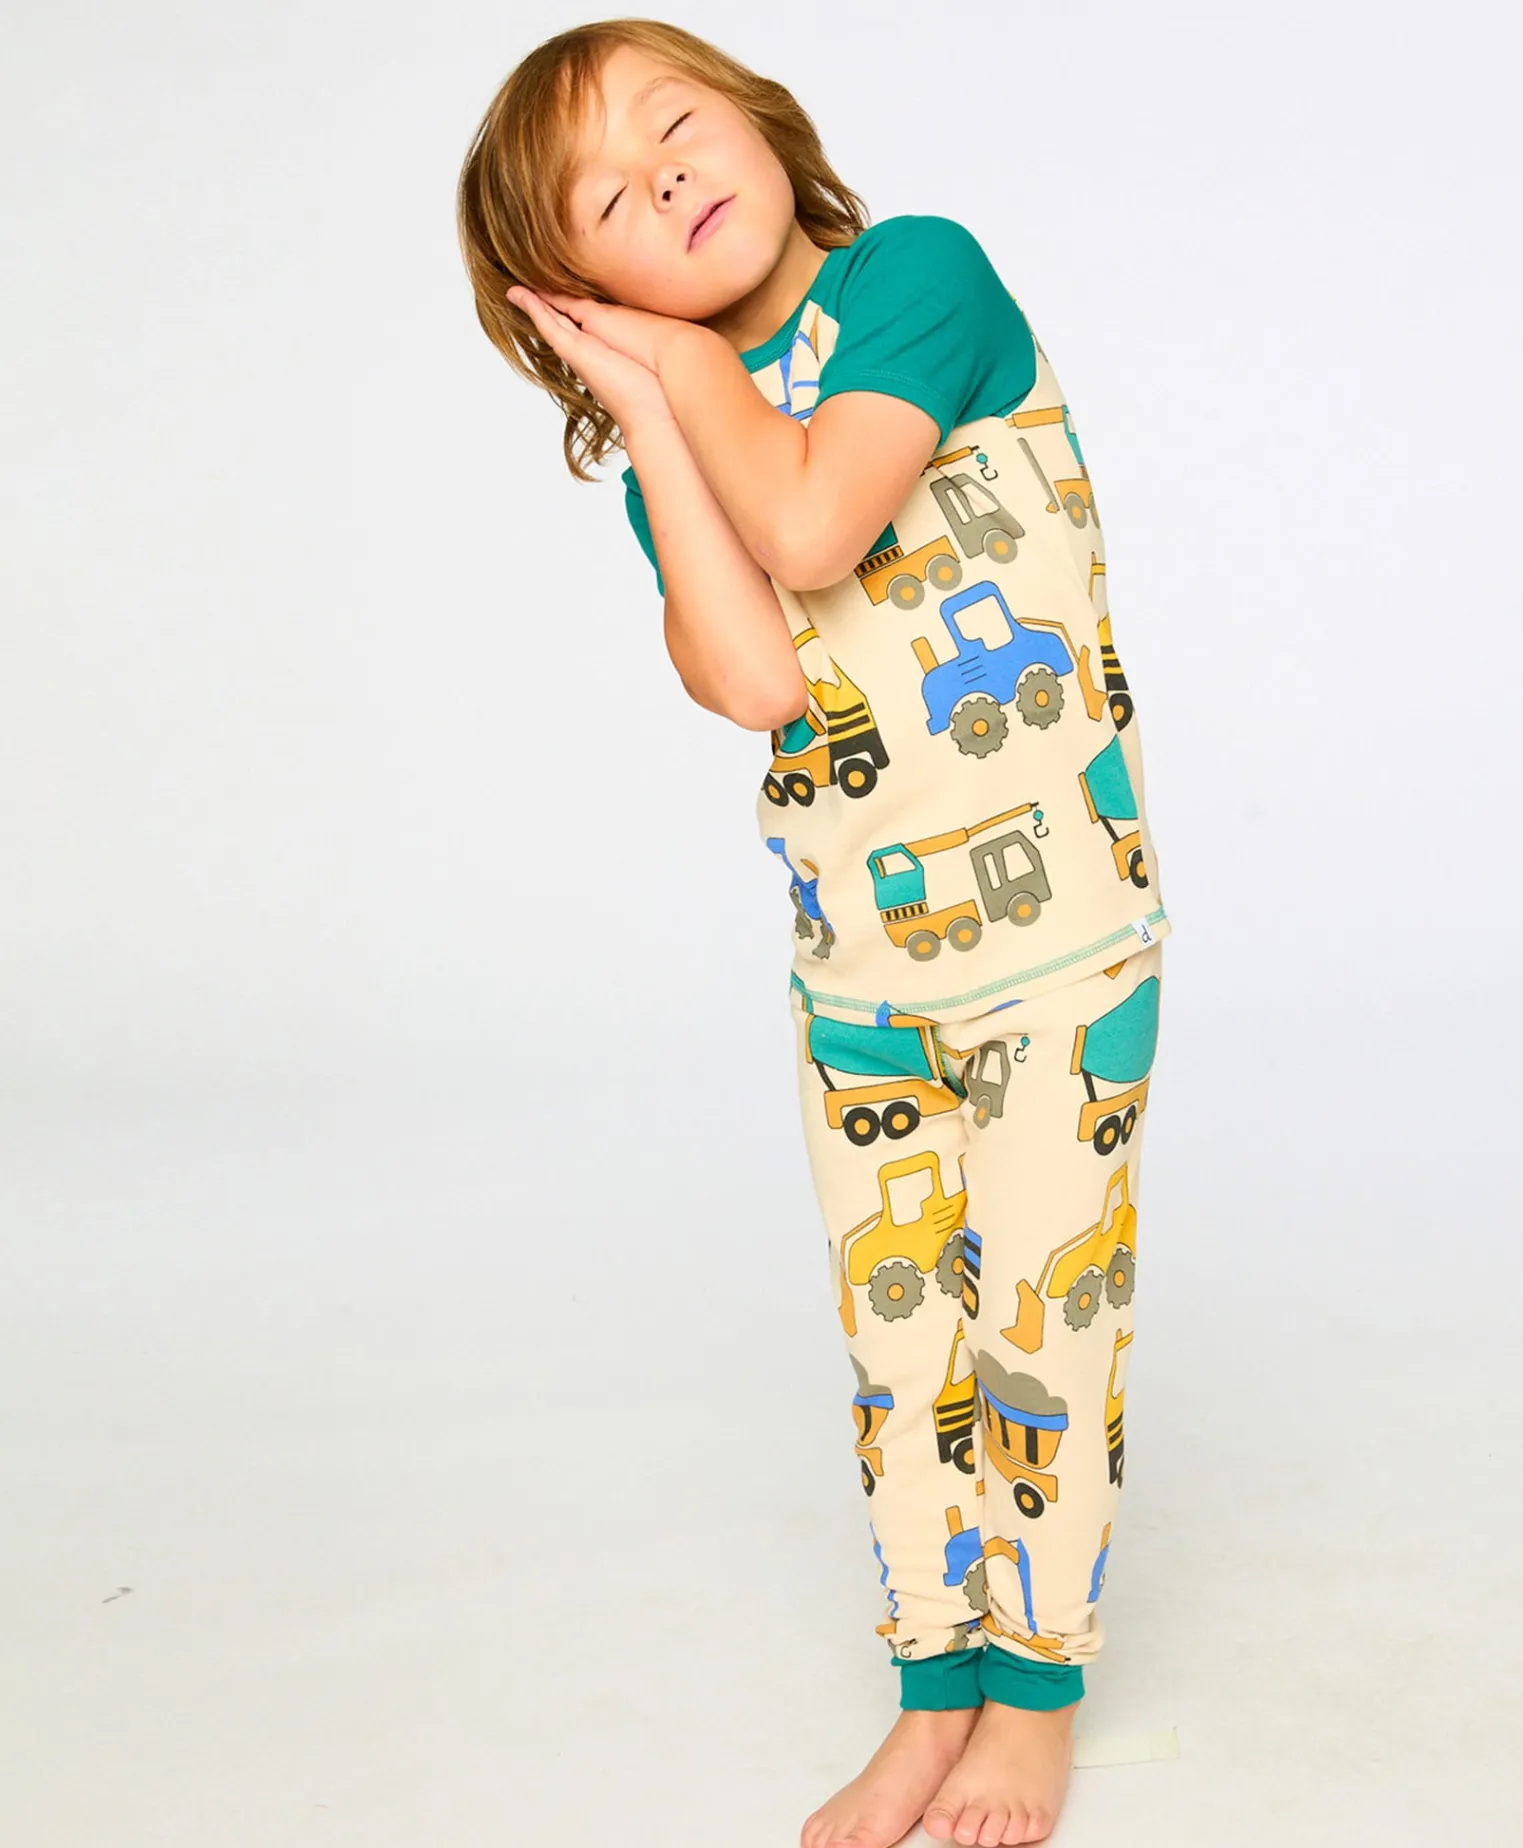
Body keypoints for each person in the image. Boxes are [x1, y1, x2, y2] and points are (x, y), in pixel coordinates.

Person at [457, 20, 1172, 1847]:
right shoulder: (675, 439)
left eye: (675, 126)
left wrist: (688, 370)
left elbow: (818, 518)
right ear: (576, 294)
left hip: (1059, 955)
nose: (664, 179)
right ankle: (932, 1691)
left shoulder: (915, 278)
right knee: (902, 1358)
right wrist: (649, 412)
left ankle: (1035, 1698)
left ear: (762, 122)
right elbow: (760, 680)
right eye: (606, 199)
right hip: (859, 971)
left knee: (1040, 1332)